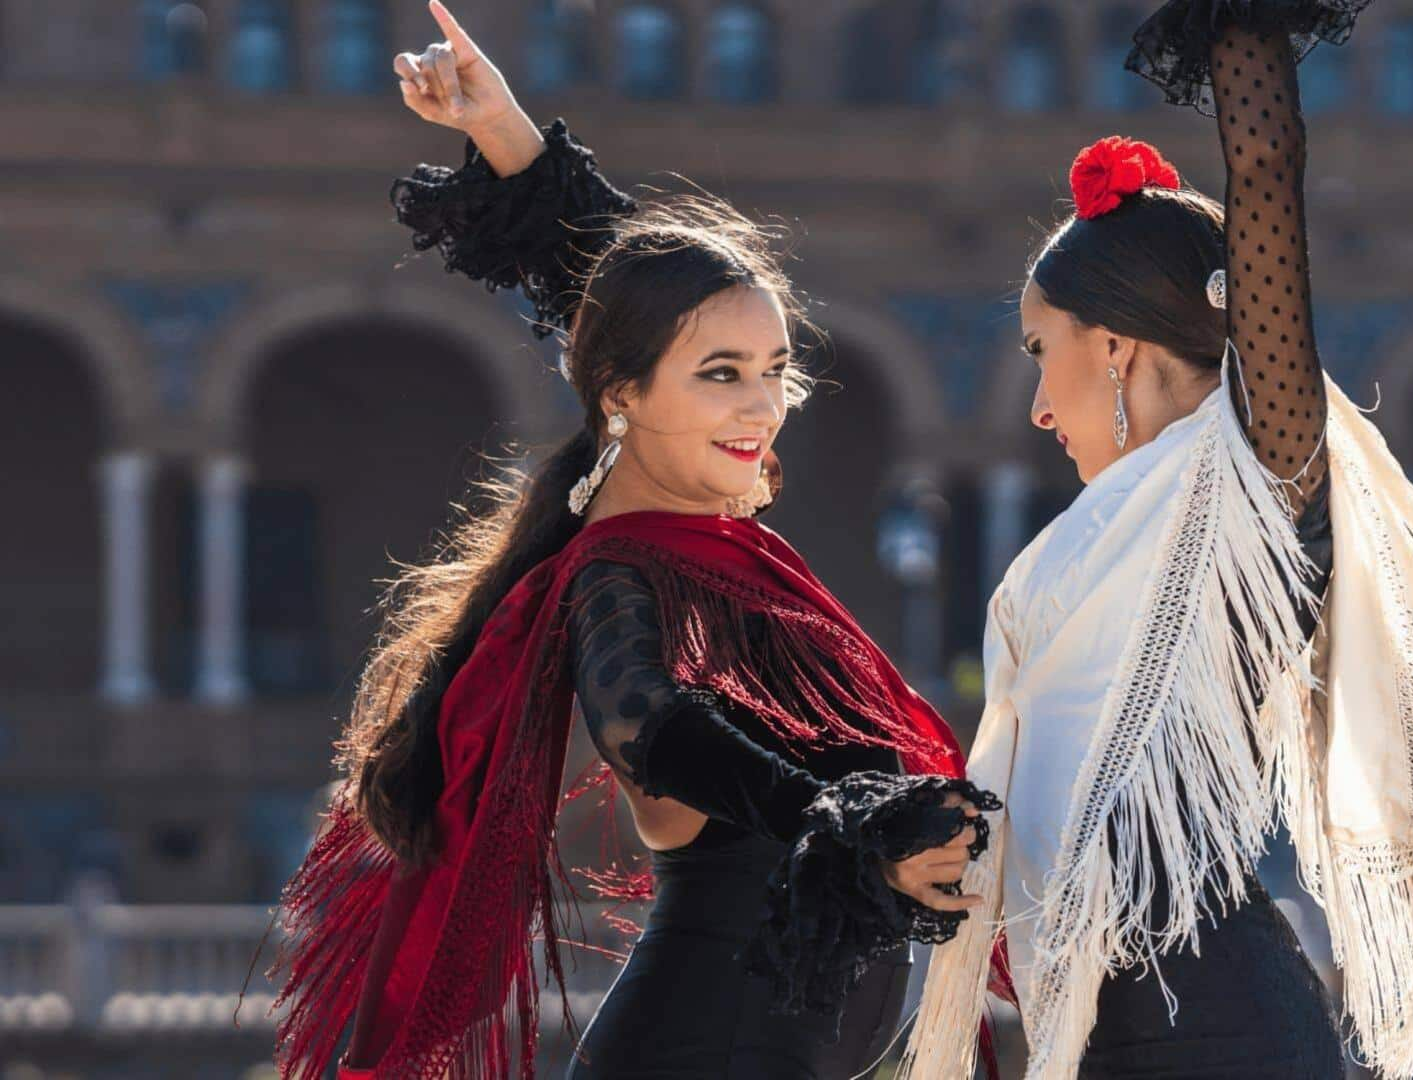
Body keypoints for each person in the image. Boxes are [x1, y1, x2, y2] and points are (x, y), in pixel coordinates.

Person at [263, 6, 997, 1077]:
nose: (761, 408)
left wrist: (511, 138)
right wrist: (843, 814)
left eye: (770, 369)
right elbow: (653, 724)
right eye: (719, 376)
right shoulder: (621, 573)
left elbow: (633, 290)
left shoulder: (717, 554)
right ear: (620, 397)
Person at [902, 3, 1413, 1078]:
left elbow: (1268, 172)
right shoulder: (1087, 544)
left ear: (1115, 348)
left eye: (1040, 352)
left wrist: (1237, 31)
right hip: (1114, 1019)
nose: (1039, 404)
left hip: (1216, 1028)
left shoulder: (1259, 489)